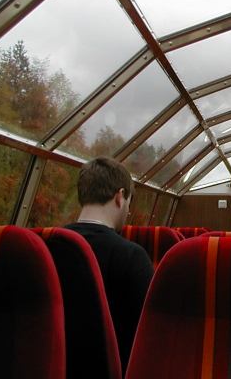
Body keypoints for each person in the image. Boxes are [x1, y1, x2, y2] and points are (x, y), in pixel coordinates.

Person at [65, 157, 154, 374]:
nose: (128, 211)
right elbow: (148, 334)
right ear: (120, 197)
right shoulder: (132, 257)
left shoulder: (44, 244)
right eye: (129, 202)